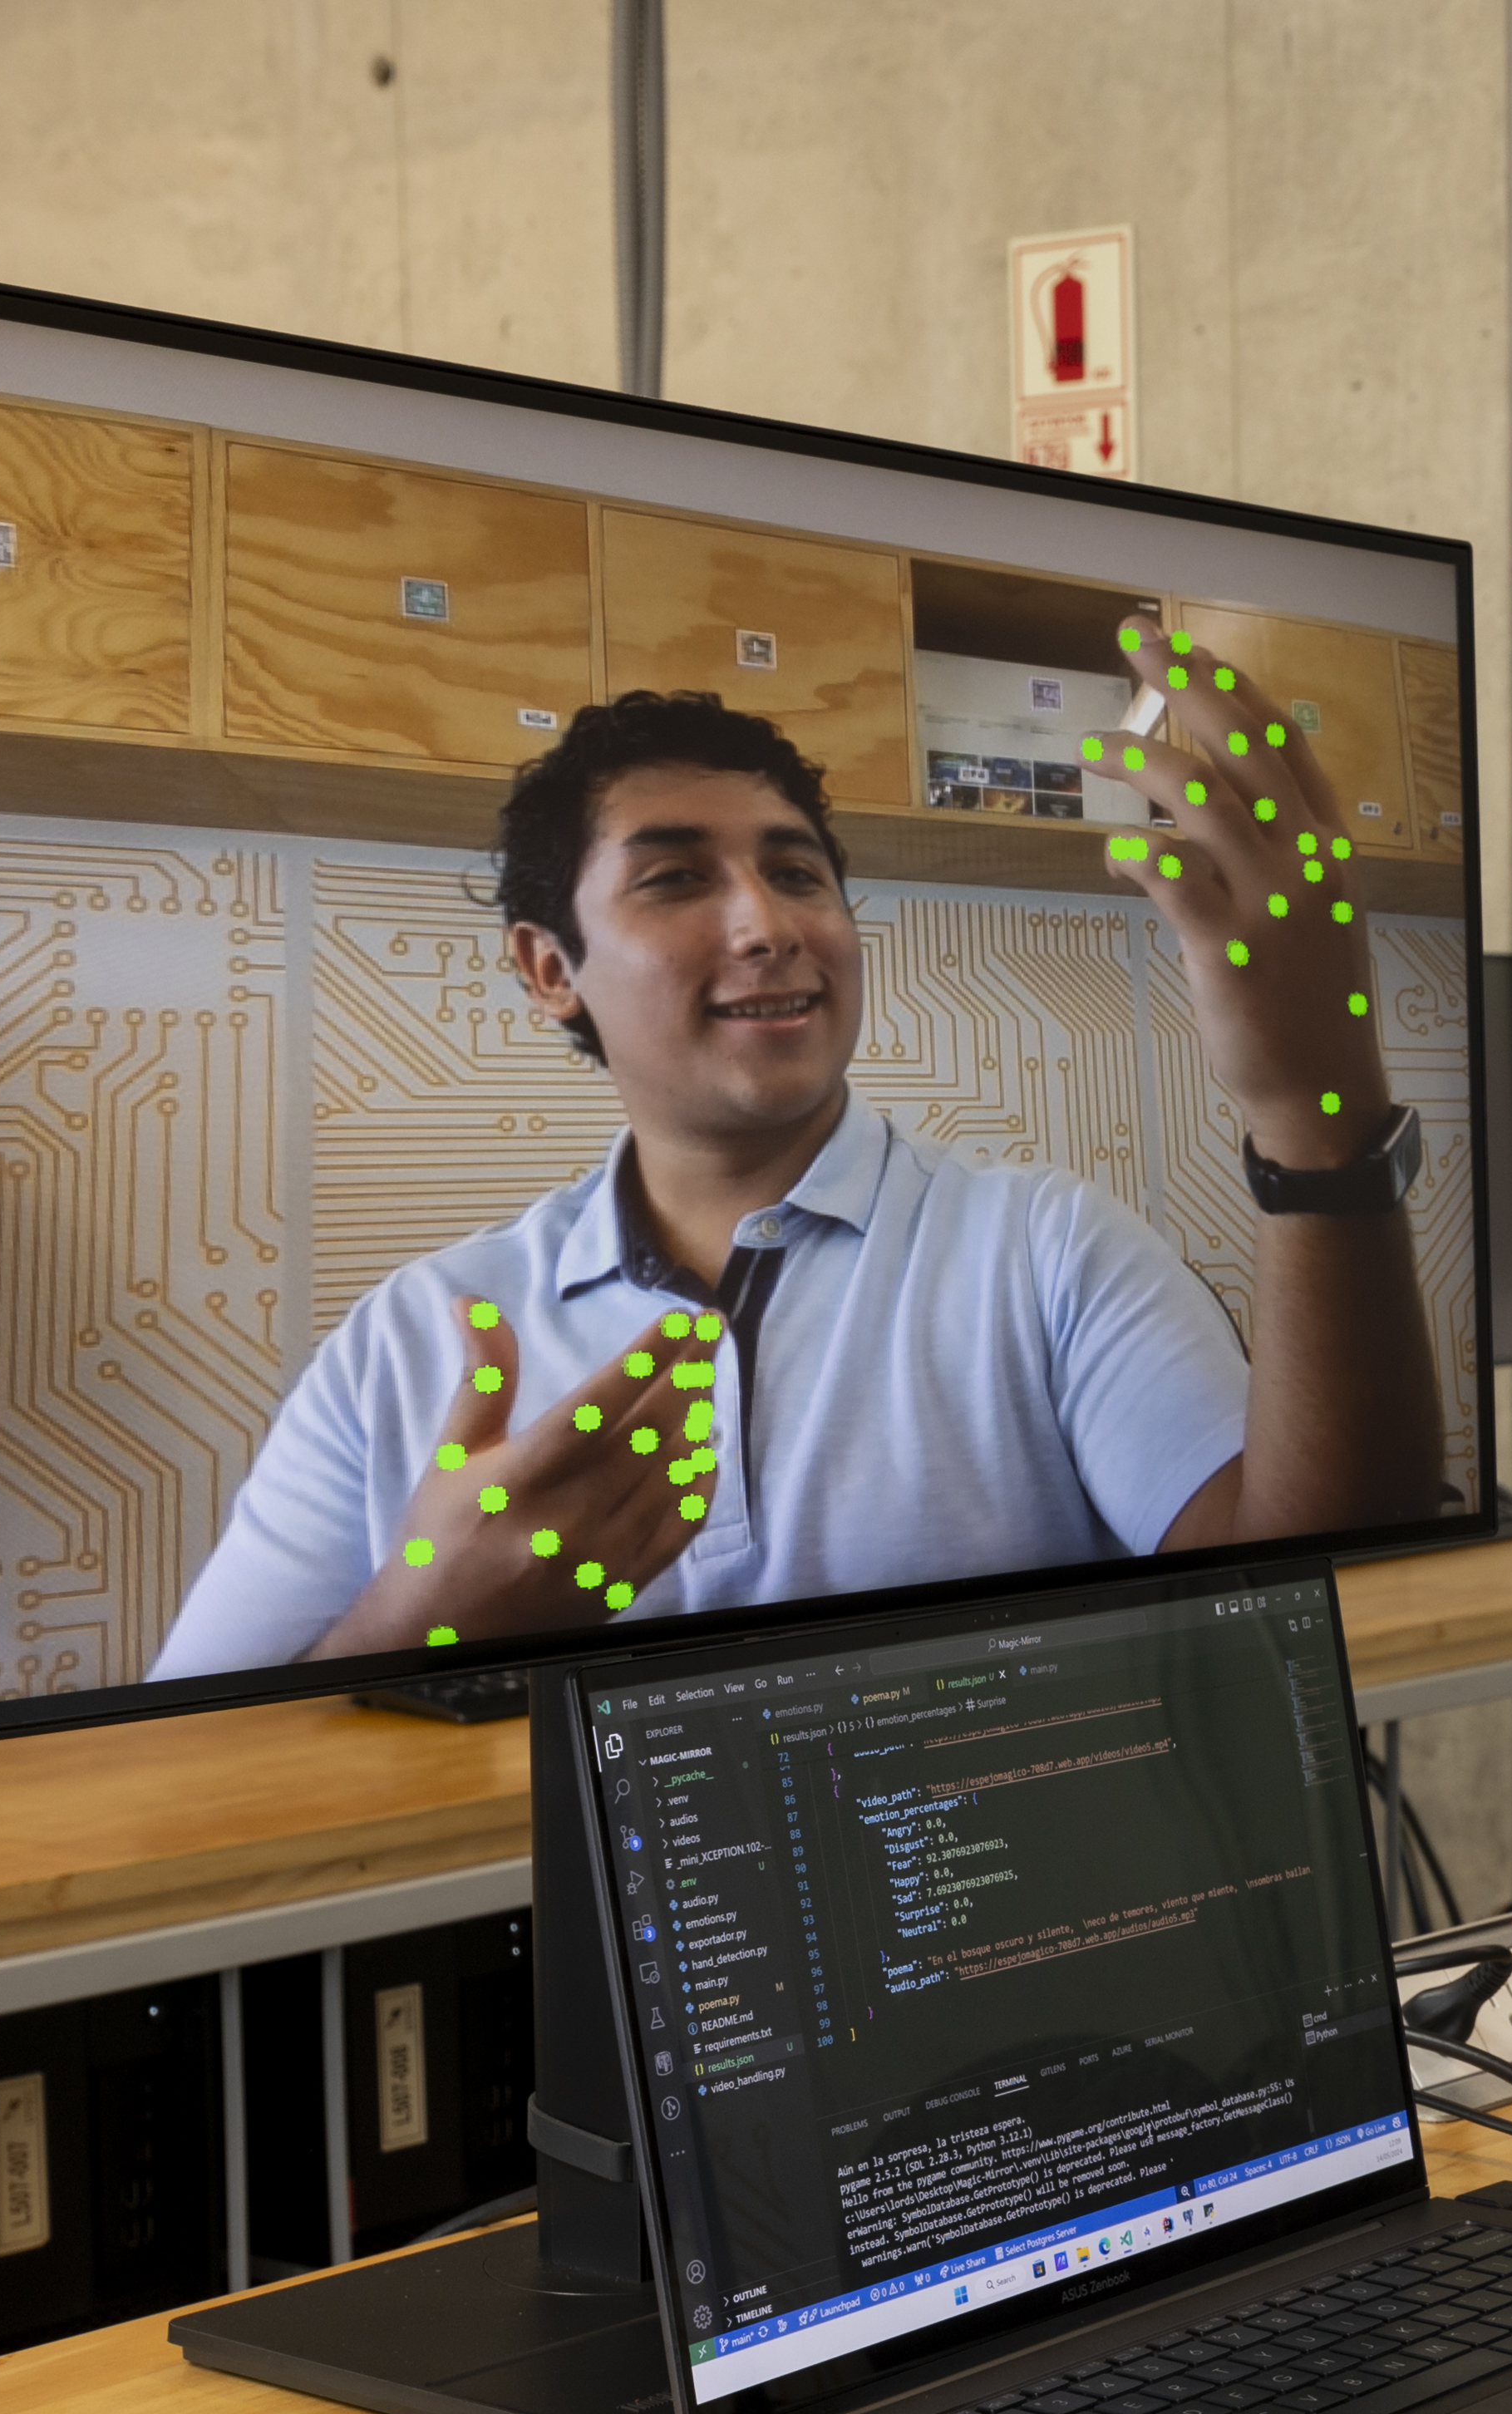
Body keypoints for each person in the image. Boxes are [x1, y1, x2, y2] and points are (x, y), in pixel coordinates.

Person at [157, 666, 1441, 1673]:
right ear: (551, 970)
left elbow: (1317, 1611)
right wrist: (423, 1624)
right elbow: (167, 1782)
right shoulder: (408, 1344)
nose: (768, 924)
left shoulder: (1049, 1251)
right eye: (674, 878)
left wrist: (1313, 1112)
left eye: (796, 871)